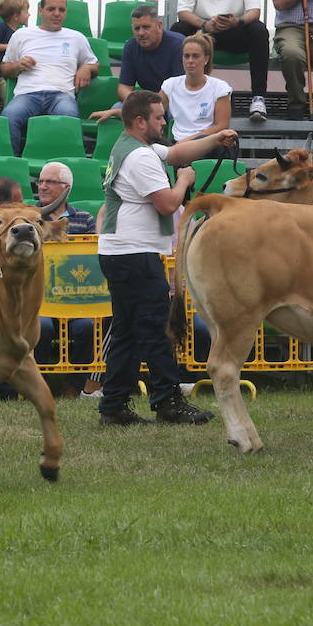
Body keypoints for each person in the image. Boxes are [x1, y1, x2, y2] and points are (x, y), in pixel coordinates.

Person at [97, 90, 234, 427]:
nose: (164, 122)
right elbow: (168, 204)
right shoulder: (141, 158)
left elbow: (175, 152)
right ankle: (168, 402)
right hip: (135, 253)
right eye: (159, 118)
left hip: (120, 253)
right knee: (155, 330)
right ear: (140, 121)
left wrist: (215, 138)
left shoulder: (132, 147)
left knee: (127, 331)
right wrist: (185, 180)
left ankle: (114, 405)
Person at [171, 0, 271, 121]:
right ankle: (182, 93)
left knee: (259, 30)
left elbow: (254, 12)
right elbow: (183, 11)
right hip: (203, 32)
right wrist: (205, 24)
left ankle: (258, 97)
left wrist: (237, 21)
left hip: (234, 30)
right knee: (178, 31)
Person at [0, 0, 99, 155]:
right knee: (8, 117)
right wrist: (17, 65)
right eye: (51, 9)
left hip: (61, 95)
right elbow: (4, 69)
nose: (57, 14)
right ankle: (12, 165)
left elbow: (95, 64)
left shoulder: (77, 38)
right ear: (40, 11)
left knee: (70, 118)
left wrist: (86, 68)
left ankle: (69, 167)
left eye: (61, 10)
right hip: (28, 94)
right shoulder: (22, 34)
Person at [33, 161, 96, 395]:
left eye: (50, 182)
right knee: (42, 327)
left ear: (66, 188)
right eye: (40, 181)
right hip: (41, 299)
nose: (43, 186)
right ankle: (39, 384)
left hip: (75, 298)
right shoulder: (29, 217)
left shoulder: (84, 219)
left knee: (86, 328)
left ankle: (74, 387)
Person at [92, 4, 184, 125]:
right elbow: (123, 88)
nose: (141, 33)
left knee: (177, 112)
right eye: (137, 28)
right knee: (117, 107)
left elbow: (177, 91)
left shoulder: (179, 45)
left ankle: (174, 144)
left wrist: (146, 107)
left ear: (159, 25)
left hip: (173, 101)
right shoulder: (130, 47)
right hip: (145, 104)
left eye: (146, 27)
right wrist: (139, 105)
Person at [160, 33, 234, 149]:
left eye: (195, 56)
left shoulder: (220, 88)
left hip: (208, 143)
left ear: (206, 59)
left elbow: (222, 126)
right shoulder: (170, 85)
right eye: (186, 56)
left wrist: (189, 142)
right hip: (177, 143)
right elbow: (152, 112)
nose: (190, 60)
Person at [0, 0, 29, 81]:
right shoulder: (2, 28)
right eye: (26, 12)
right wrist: (10, 46)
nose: (29, 14)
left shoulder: (18, 32)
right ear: (16, 16)